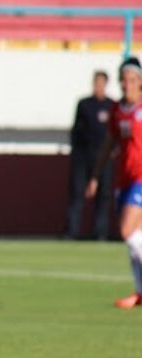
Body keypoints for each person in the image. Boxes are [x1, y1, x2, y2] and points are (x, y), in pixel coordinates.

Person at [89, 57, 142, 309]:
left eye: (131, 80)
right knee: (136, 240)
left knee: (126, 232)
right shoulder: (118, 110)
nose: (126, 84)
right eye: (123, 79)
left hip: (140, 179)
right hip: (123, 178)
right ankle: (140, 293)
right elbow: (109, 145)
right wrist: (96, 176)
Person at [67, 70, 115, 240]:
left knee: (103, 195)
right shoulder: (85, 104)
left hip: (104, 157)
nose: (98, 86)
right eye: (96, 83)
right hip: (84, 155)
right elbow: (76, 131)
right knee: (77, 192)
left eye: (101, 83)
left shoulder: (112, 106)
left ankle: (100, 232)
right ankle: (72, 232)